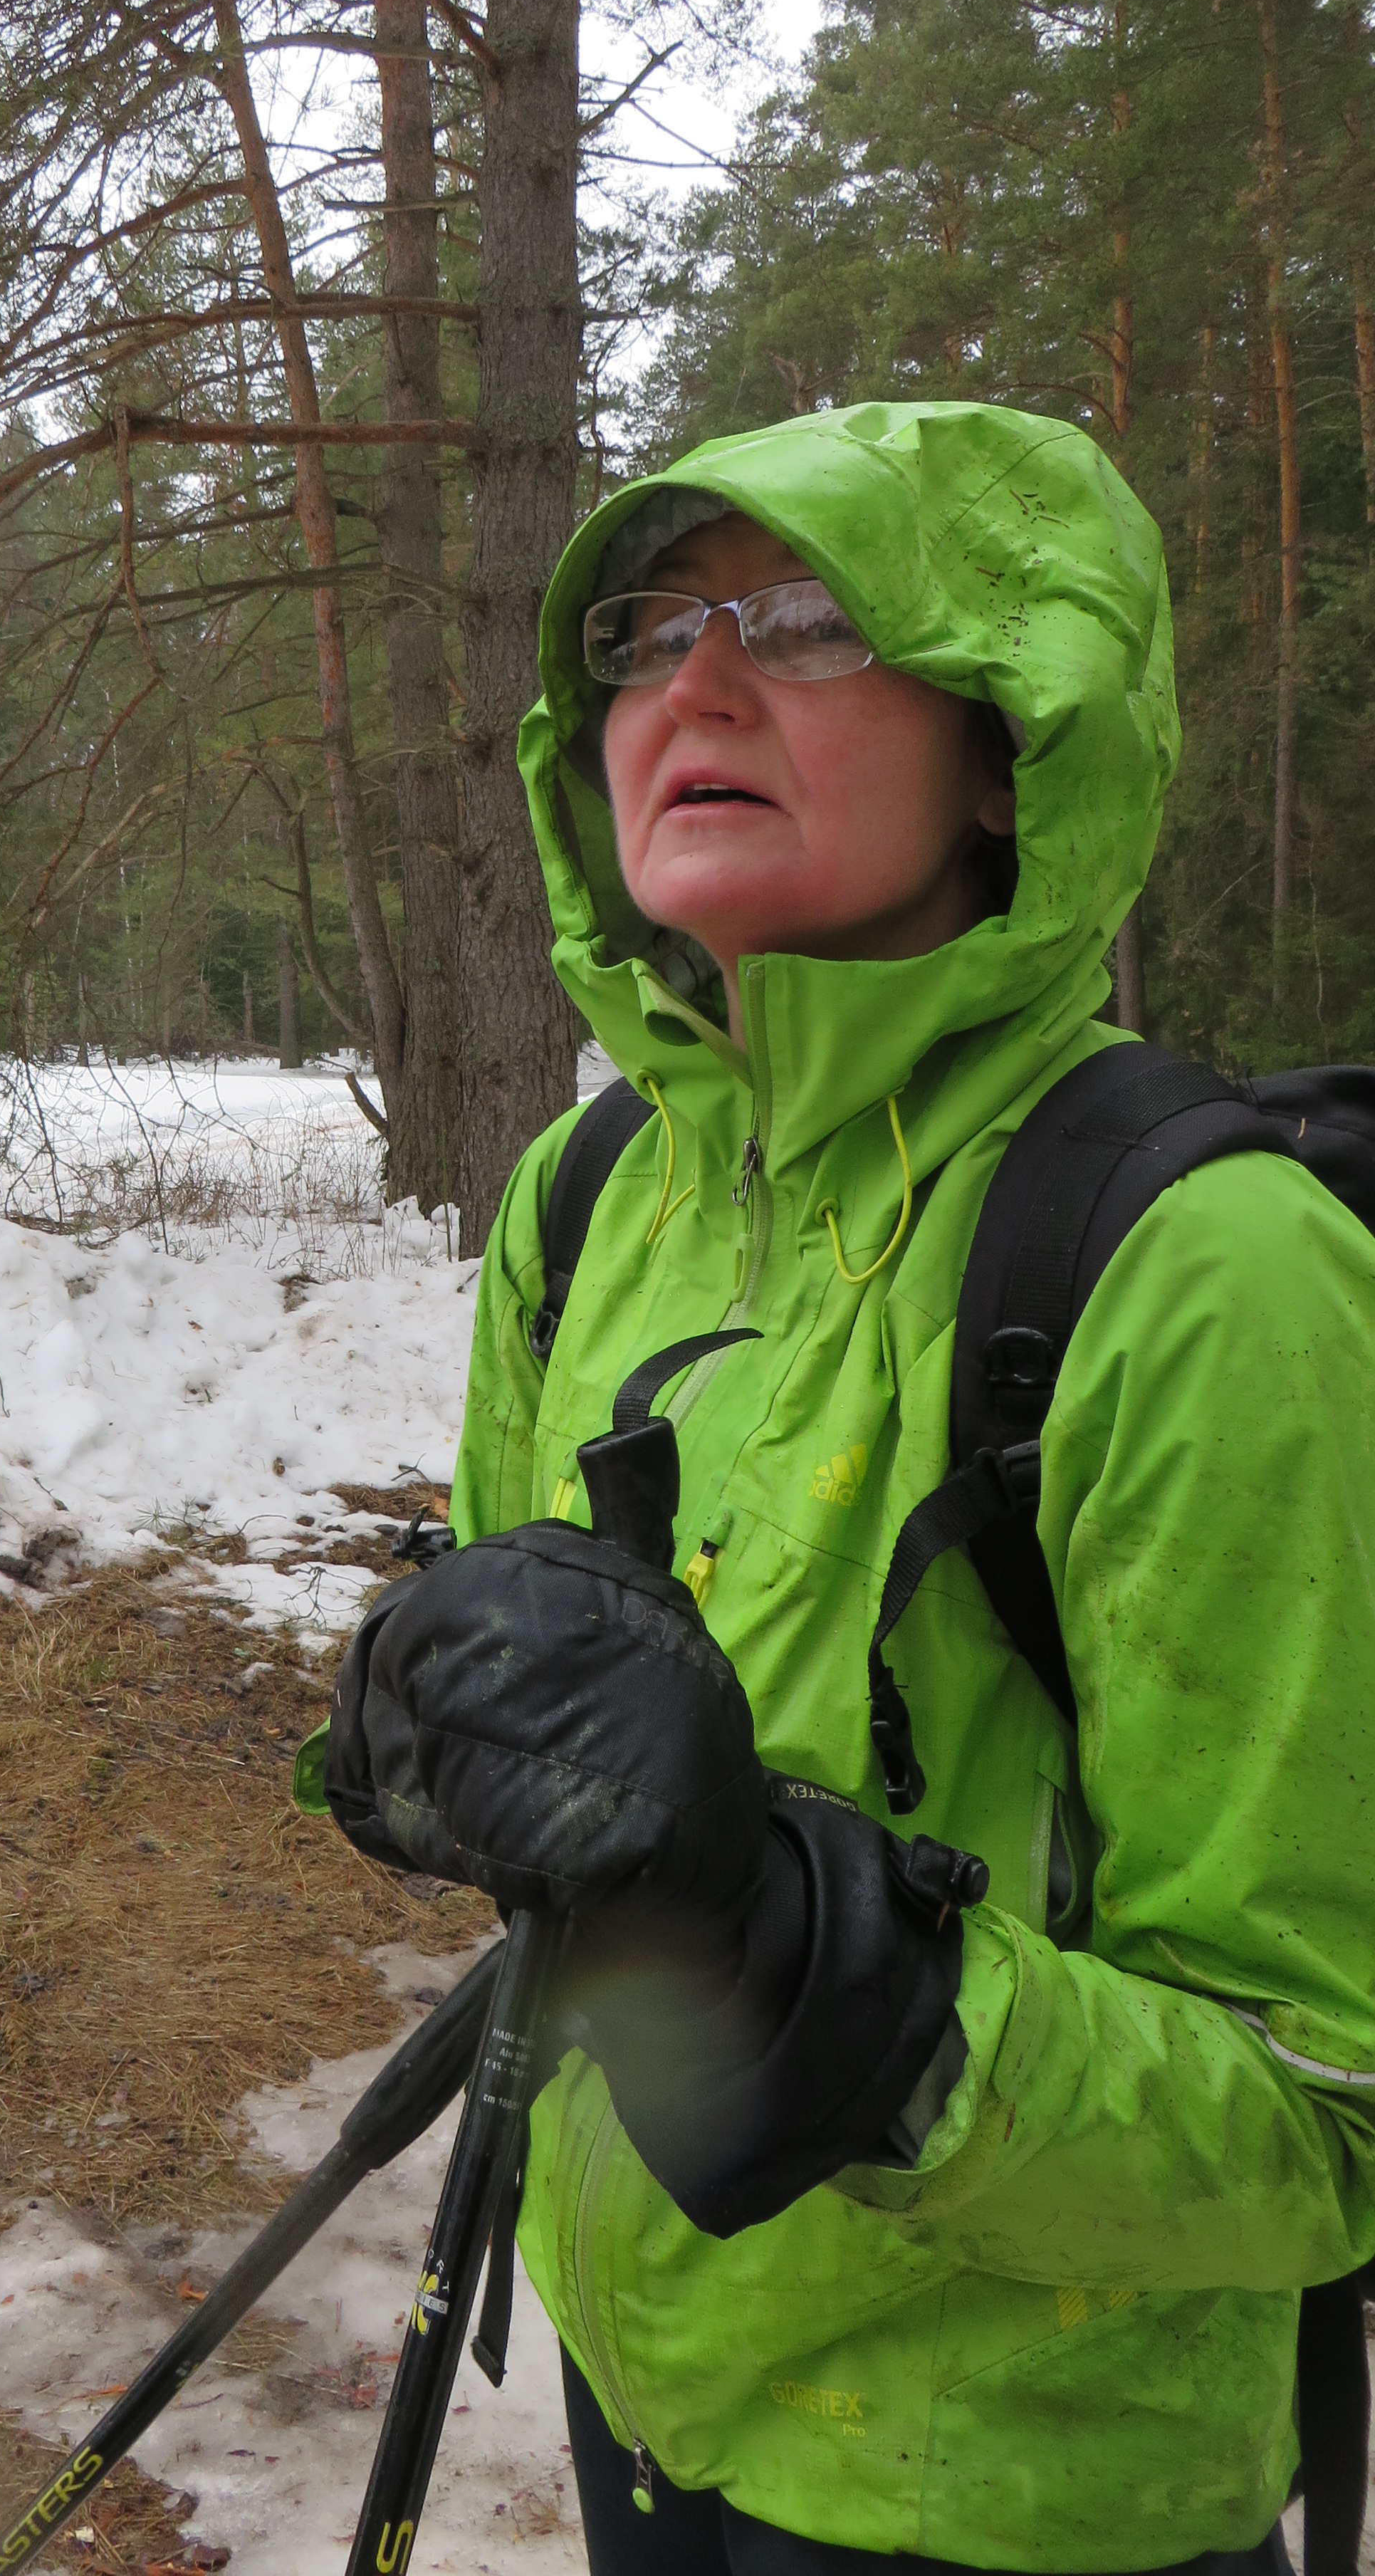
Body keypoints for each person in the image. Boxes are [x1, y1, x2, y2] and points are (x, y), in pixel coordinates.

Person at [310, 401, 1375, 2573]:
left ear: (1010, 746)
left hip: (1018, 2486)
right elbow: (538, 1724)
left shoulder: (1204, 1262)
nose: (693, 684)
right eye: (646, 630)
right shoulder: (595, 1188)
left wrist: (808, 1960)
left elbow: (1325, 2116)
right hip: (654, 2389)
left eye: (806, 620)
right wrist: (435, 1742)